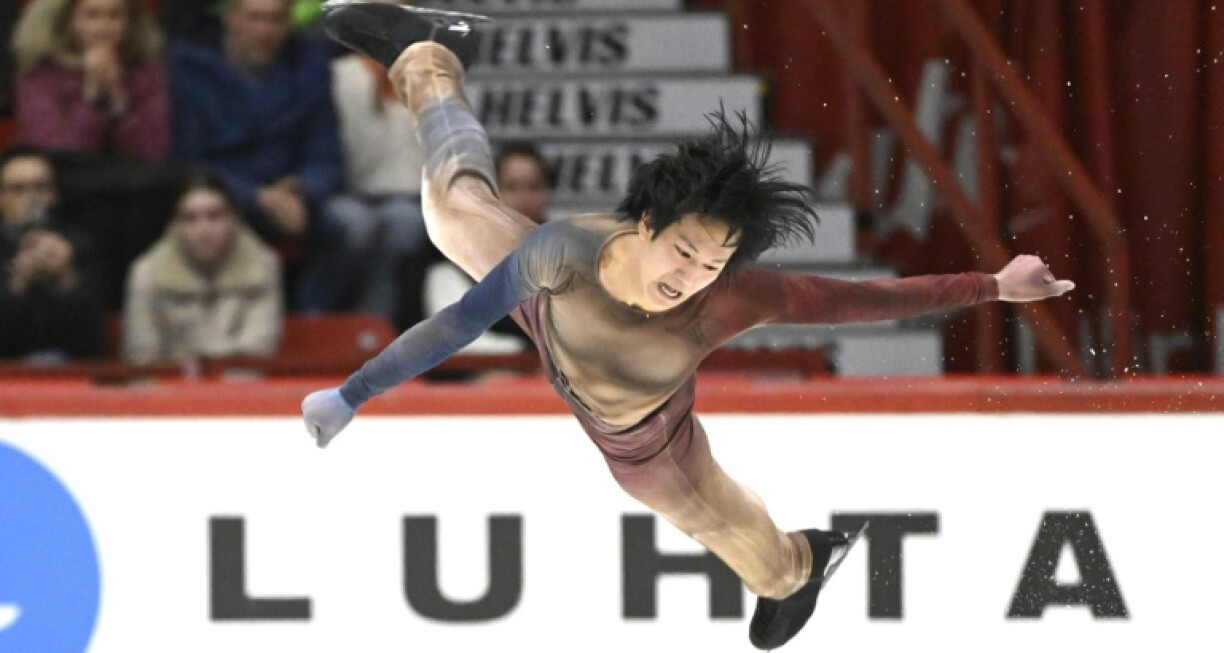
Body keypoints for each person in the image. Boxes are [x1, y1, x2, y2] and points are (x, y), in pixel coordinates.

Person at [301, 4, 1077, 650]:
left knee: (774, 573)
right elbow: (457, 323)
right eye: (682, 251)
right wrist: (352, 393)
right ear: (641, 224)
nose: (690, 276)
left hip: (649, 445)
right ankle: (429, 53)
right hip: (554, 308)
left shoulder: (731, 299)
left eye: (712, 263)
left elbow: (860, 300)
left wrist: (992, 286)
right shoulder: (560, 252)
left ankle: (813, 557)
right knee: (452, 208)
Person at [168, 0, 355, 313]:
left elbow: (326, 155)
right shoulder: (189, 69)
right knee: (204, 217)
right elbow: (186, 160)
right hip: (223, 193)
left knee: (353, 223)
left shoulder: (309, 67)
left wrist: (301, 187)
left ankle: (317, 325)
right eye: (255, 18)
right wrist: (257, 196)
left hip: (295, 199)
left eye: (275, 20)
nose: (265, 31)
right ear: (230, 18)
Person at [122, 170, 282, 365]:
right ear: (176, 226)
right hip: (167, 392)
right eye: (190, 218)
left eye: (214, 216)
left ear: (234, 220)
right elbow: (142, 360)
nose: (203, 229)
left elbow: (257, 352)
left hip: (241, 391)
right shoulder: (146, 273)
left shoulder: (263, 267)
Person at [421, 140, 552, 353]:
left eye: (534, 187)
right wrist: (527, 353)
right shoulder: (451, 256)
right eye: (511, 187)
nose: (524, 198)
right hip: (472, 381)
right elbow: (458, 341)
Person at [328, 48, 428, 323]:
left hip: (409, 198)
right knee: (358, 224)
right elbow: (350, 161)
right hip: (349, 192)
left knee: (405, 222)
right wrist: (373, 97)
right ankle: (325, 313)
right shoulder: (340, 75)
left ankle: (376, 324)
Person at [11, 0, 169, 160]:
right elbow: (59, 154)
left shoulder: (145, 69)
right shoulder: (40, 70)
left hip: (130, 178)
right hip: (56, 176)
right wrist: (91, 98)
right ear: (69, 20)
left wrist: (117, 99)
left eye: (115, 16)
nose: (103, 28)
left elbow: (151, 152)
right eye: (92, 15)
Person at [0, 146, 105, 361]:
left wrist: (67, 279)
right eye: (18, 189)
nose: (31, 198)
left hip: (67, 373)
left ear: (54, 194)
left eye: (40, 187)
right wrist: (16, 286)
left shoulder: (80, 247)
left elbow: (95, 340)